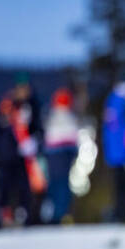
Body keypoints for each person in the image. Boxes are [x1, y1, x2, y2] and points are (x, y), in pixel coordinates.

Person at [0, 72, 43, 225]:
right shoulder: (7, 105)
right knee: (5, 185)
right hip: (7, 153)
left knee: (25, 186)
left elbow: (38, 127)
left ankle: (25, 214)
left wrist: (34, 141)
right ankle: (5, 214)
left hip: (25, 155)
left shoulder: (33, 105)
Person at [101, 80, 125, 223]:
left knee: (122, 186)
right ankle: (123, 214)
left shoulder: (114, 101)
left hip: (119, 154)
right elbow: (118, 131)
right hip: (122, 154)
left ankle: (123, 213)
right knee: (124, 186)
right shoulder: (119, 102)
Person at [43, 88, 79, 224]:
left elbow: (47, 139)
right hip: (64, 155)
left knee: (54, 184)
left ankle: (54, 213)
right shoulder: (70, 117)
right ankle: (62, 213)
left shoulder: (51, 117)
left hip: (53, 156)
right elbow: (74, 139)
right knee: (63, 184)